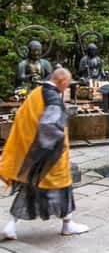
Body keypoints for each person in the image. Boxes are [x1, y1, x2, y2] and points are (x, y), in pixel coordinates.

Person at [0, 68, 88, 240]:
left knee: (29, 189)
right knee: (63, 189)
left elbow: (21, 117)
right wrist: (56, 144)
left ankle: (11, 225)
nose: (68, 87)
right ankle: (68, 225)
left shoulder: (37, 93)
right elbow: (49, 126)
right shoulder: (53, 99)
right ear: (61, 81)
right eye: (68, 83)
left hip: (34, 152)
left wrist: (28, 146)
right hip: (50, 155)